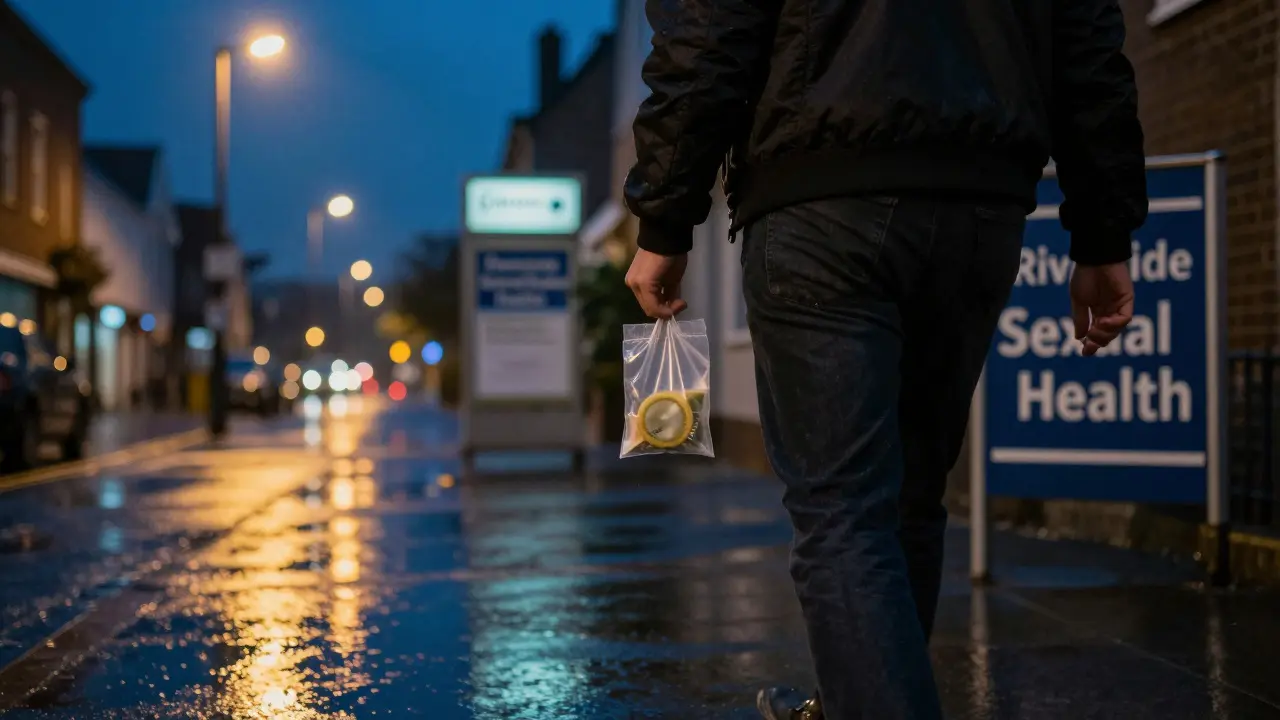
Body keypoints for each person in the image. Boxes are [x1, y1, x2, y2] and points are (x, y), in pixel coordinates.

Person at [622, 0, 1145, 718]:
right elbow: (1086, 39)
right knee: (908, 499)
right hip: (978, 204)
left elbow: (709, 32)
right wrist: (1103, 231)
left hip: (821, 201)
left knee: (842, 510)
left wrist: (664, 219)